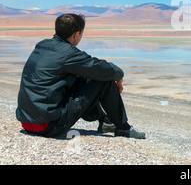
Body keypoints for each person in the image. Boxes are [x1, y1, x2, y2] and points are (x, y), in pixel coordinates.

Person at [16, 13, 145, 139]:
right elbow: (102, 69)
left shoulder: (42, 45)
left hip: (27, 121)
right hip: (48, 125)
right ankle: (123, 128)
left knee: (82, 76)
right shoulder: (68, 53)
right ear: (76, 34)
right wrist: (119, 76)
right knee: (103, 80)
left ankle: (105, 121)